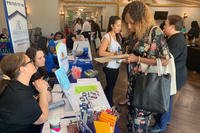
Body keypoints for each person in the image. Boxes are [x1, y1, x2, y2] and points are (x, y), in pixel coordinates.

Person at [122, 1, 170, 132]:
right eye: (127, 22)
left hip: (147, 85)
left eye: (132, 22)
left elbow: (165, 60)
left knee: (140, 123)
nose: (129, 26)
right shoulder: (136, 34)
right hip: (134, 83)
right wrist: (128, 58)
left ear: (141, 20)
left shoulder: (155, 32)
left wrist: (137, 58)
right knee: (131, 119)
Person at [151, 15, 188, 133]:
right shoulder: (175, 37)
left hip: (175, 75)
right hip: (176, 74)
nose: (164, 26)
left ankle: (161, 125)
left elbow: (166, 59)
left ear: (172, 26)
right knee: (168, 99)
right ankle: (165, 119)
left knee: (166, 99)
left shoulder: (177, 39)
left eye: (165, 24)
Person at [0, 53, 49, 133]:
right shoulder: (19, 96)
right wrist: (43, 91)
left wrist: (42, 93)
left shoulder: (18, 84)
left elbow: (47, 100)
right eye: (30, 61)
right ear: (22, 69)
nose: (33, 62)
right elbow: (43, 118)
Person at [99, 16, 122, 107]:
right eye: (117, 25)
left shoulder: (117, 36)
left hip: (116, 66)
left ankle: (103, 100)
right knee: (111, 87)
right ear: (112, 25)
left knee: (110, 86)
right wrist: (114, 54)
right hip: (109, 67)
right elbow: (101, 52)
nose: (119, 27)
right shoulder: (107, 37)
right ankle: (109, 105)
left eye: (120, 25)